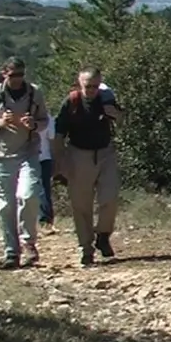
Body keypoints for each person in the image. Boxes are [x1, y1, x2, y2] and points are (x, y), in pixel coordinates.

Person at [0, 58, 49, 268]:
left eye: (20, 74)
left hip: (28, 151)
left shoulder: (34, 92)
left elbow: (45, 120)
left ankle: (29, 242)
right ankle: (11, 251)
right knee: (5, 205)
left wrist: (34, 124)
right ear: (4, 74)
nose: (17, 79)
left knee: (29, 195)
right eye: (13, 75)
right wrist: (0, 123)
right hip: (0, 155)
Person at [52, 67, 123, 265]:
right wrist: (59, 163)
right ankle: (85, 247)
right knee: (81, 204)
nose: (91, 90)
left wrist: (115, 114)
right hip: (78, 154)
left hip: (105, 152)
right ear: (79, 83)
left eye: (95, 86)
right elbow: (59, 133)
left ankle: (103, 235)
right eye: (87, 86)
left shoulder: (106, 98)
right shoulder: (71, 102)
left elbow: (123, 120)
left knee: (110, 197)